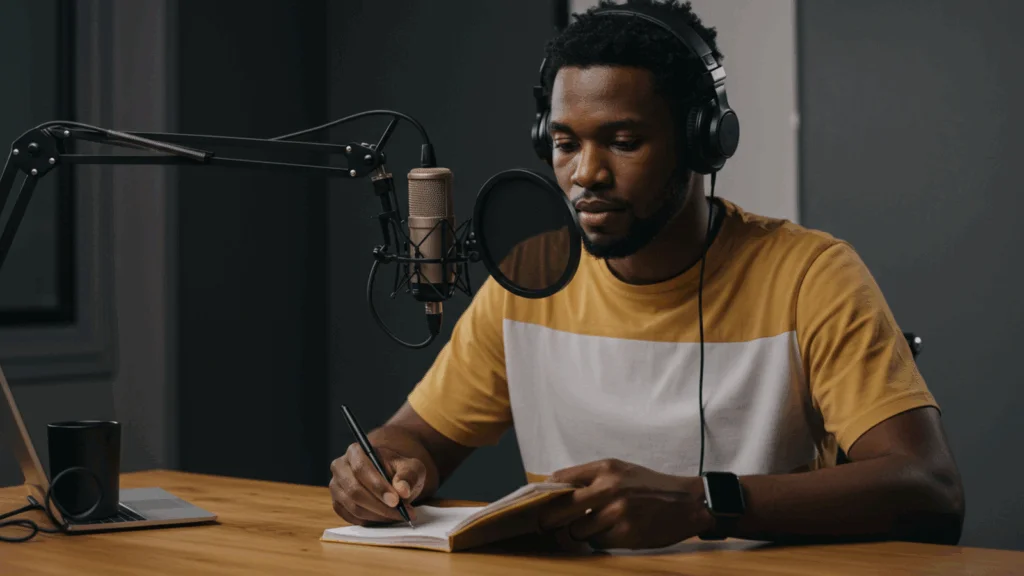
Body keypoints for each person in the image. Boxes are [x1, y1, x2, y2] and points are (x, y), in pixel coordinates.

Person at [330, 0, 965, 549]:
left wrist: (701, 504)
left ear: (700, 141)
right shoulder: (530, 280)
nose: (585, 174)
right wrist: (387, 466)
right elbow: (417, 438)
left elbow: (928, 486)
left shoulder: (810, 276)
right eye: (565, 143)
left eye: (623, 142)